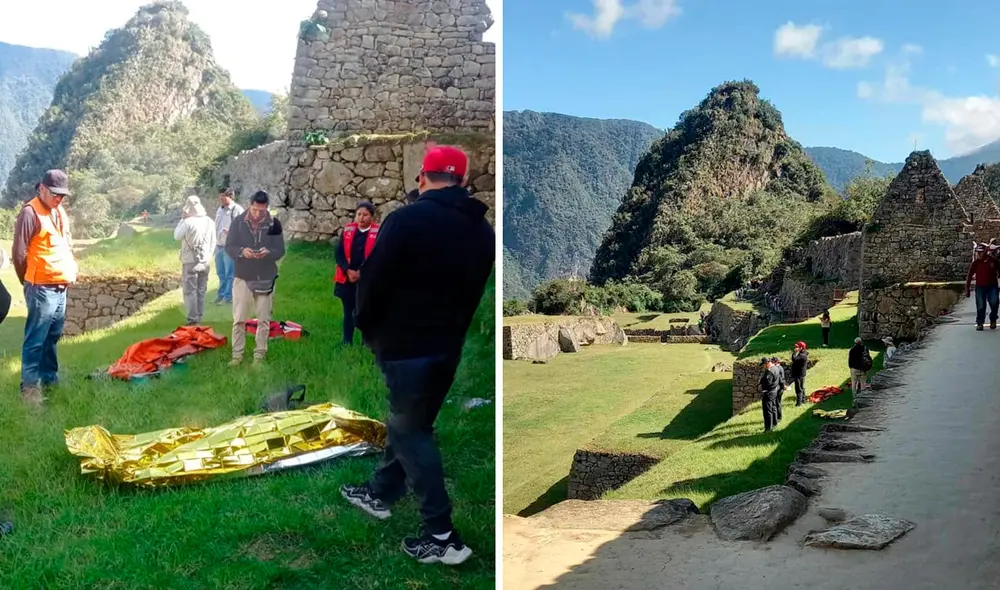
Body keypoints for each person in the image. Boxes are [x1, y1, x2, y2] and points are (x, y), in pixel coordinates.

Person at [341, 145, 493, 565]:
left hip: (405, 346)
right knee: (411, 422)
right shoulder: (482, 231)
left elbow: (373, 281)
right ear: (463, 180)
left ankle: (442, 537)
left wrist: (365, 325)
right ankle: (381, 493)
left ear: (422, 178)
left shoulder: (405, 220)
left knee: (411, 431)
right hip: (447, 347)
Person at [12, 170, 78, 407]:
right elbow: (18, 254)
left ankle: (50, 380)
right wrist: (28, 281)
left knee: (52, 337)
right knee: (35, 339)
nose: (58, 199)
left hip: (60, 286)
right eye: (55, 194)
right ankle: (30, 389)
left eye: (62, 195)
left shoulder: (58, 211)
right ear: (42, 189)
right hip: (40, 287)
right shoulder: (30, 213)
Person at [225, 191, 284, 365]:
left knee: (263, 319)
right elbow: (229, 247)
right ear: (250, 205)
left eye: (262, 210)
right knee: (239, 319)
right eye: (255, 209)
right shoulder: (238, 222)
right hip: (243, 276)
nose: (258, 214)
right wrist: (241, 252)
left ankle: (259, 355)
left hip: (266, 276)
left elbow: (280, 250)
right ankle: (237, 355)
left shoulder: (274, 223)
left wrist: (268, 253)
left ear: (267, 208)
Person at [333, 201, 379, 345]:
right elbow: (339, 252)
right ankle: (347, 340)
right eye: (359, 214)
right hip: (347, 277)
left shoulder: (378, 233)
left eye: (365, 215)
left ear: (371, 216)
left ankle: (366, 342)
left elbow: (378, 255)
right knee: (348, 311)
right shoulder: (348, 231)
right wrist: (347, 270)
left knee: (366, 311)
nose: (361, 218)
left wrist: (361, 273)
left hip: (367, 279)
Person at [174, 195, 216, 326]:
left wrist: (182, 219)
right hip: (205, 261)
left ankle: (192, 319)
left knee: (190, 291)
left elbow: (177, 236)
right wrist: (208, 257)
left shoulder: (188, 222)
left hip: (190, 261)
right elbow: (213, 241)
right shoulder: (209, 221)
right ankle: (199, 316)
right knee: (201, 291)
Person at [213, 187, 244, 305]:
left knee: (229, 273)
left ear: (231, 196)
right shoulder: (219, 210)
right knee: (220, 272)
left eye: (223, 195)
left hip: (230, 246)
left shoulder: (237, 210)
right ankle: (221, 295)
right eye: (220, 195)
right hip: (219, 245)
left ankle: (228, 297)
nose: (221, 198)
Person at [965, 243, 999, 331]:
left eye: (981, 252)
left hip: (992, 286)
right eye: (978, 252)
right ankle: (980, 323)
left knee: (994, 303)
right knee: (980, 306)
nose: (979, 254)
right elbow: (970, 275)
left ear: (986, 252)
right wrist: (967, 288)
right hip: (980, 287)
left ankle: (993, 319)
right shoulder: (976, 263)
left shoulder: (993, 261)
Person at [759, 358, 781, 432]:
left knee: (767, 410)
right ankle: (775, 423)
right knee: (773, 407)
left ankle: (768, 428)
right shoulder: (776, 368)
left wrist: (762, 385)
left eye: (764, 365)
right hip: (774, 391)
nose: (764, 367)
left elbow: (768, 383)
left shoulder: (770, 372)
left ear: (767, 363)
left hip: (768, 392)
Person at [790, 341, 808, 406]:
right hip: (801, 374)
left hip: (799, 374)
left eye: (797, 347)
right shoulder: (803, 353)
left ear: (801, 348)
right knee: (801, 387)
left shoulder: (802, 355)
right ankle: (803, 400)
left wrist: (794, 352)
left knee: (798, 389)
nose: (795, 348)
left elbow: (794, 359)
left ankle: (799, 403)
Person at [770, 356, 786, 422]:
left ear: (775, 362)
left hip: (779, 388)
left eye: (772, 361)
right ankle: (778, 416)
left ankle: (778, 417)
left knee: (777, 403)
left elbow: (780, 380)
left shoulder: (777, 369)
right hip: (780, 387)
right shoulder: (780, 367)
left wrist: (783, 386)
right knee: (777, 403)